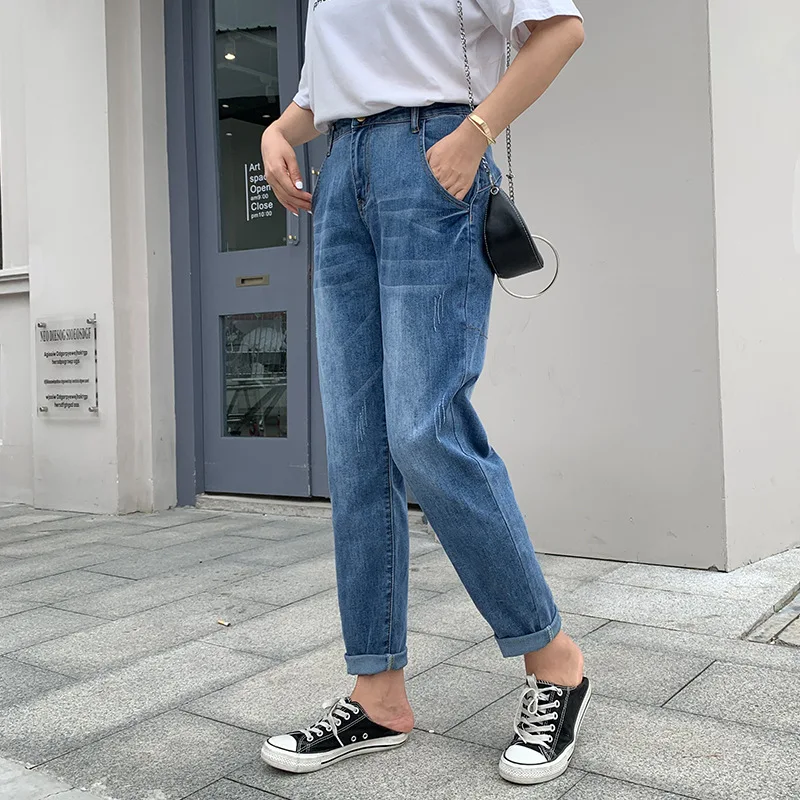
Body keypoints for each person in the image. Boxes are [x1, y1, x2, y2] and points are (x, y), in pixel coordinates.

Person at [259, 0, 587, 786]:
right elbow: (332, 83)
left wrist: (474, 134)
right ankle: (378, 694)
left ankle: (556, 661)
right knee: (358, 448)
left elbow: (560, 29)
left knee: (422, 428)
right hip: (343, 171)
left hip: (431, 157)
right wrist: (280, 131)